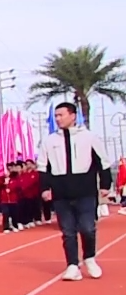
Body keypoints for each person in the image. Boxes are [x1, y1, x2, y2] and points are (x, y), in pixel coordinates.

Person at [40, 101, 105, 281]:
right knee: (67, 231)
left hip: (85, 191)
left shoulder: (89, 137)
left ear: (73, 116)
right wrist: (45, 188)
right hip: (61, 192)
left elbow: (102, 162)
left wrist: (106, 185)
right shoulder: (49, 141)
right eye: (56, 116)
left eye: (61, 115)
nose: (58, 119)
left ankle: (90, 257)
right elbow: (43, 167)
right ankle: (72, 265)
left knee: (87, 227)